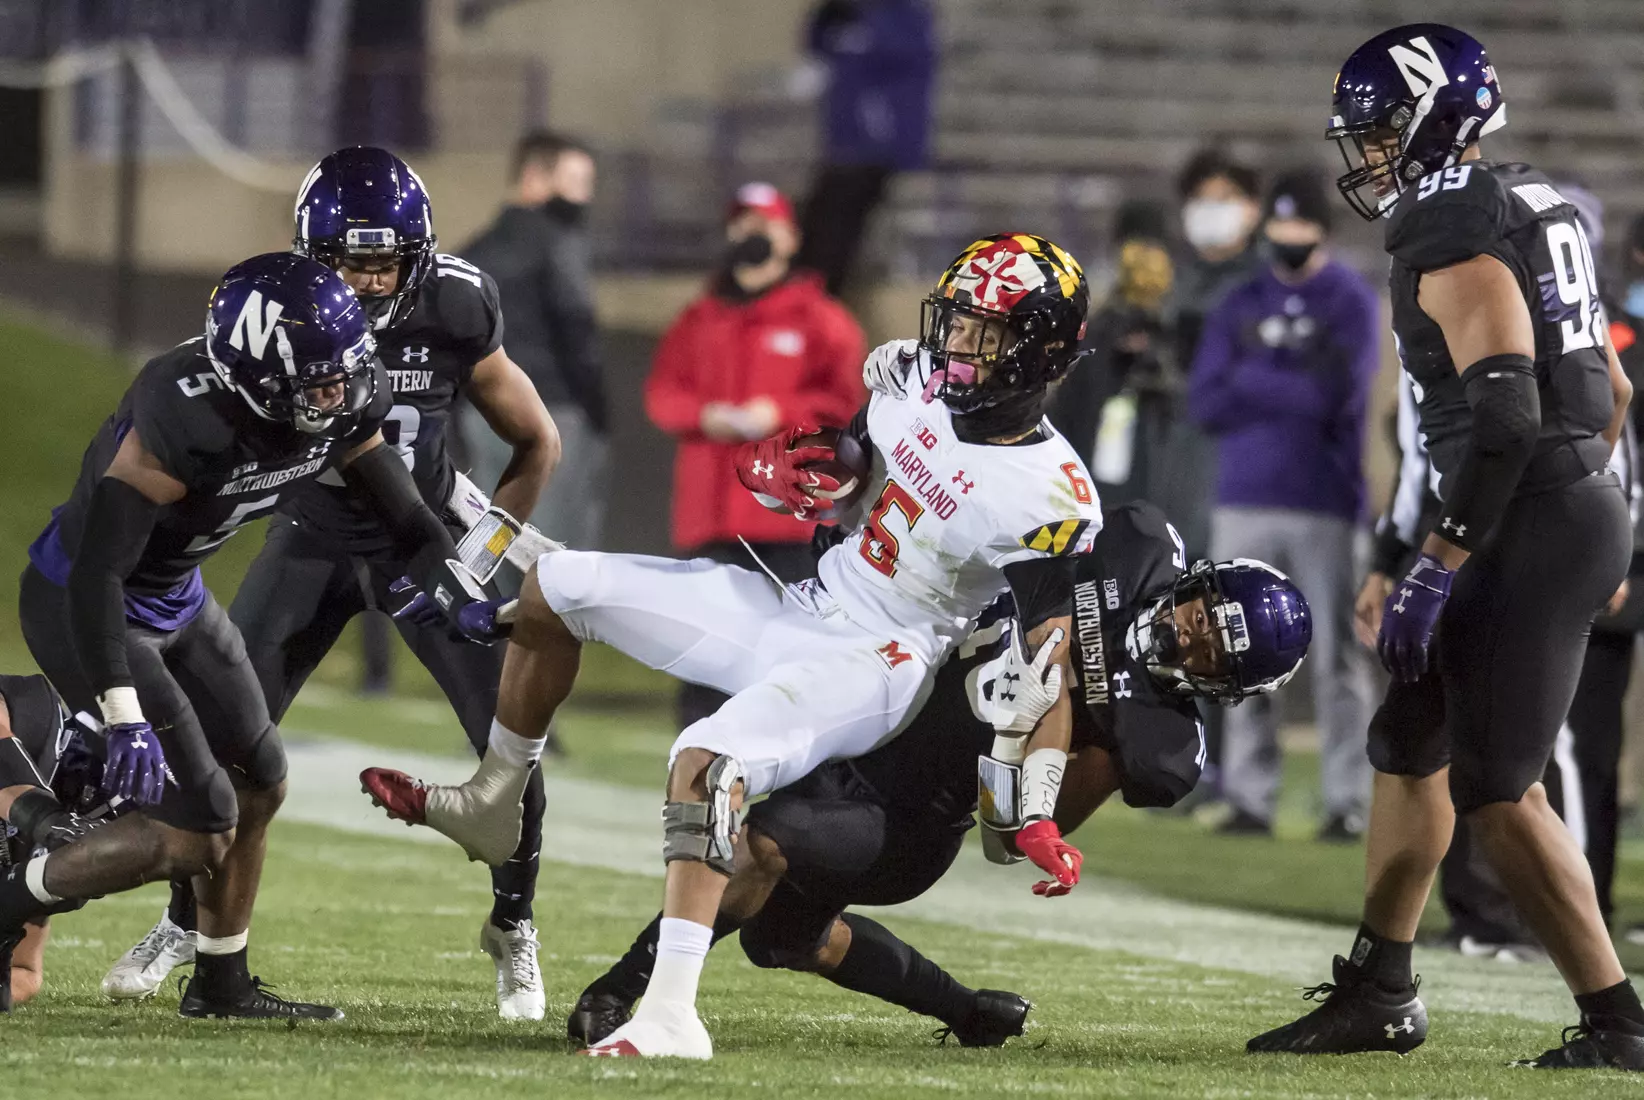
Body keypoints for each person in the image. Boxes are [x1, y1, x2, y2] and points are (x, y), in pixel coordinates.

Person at [362, 233, 1109, 1059]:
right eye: (956, 322)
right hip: (807, 603)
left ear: (1035, 353)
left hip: (879, 658)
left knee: (709, 758)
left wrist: (1035, 805)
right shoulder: (911, 378)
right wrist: (825, 472)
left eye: (984, 333)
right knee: (557, 585)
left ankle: (672, 1013)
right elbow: (865, 473)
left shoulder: (1050, 492)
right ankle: (497, 798)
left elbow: (1047, 662)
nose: (955, 345)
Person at [1247, 24, 1641, 1070]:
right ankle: (1379, 984)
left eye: (1380, 132)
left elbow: (1508, 416)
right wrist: (1596, 516)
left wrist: (1443, 557)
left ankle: (1619, 1019)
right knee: (1406, 742)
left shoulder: (1453, 221)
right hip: (1557, 501)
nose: (1368, 156)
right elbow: (1615, 393)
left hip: (1524, 507)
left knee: (1500, 791)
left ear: (1435, 118)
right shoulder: (1534, 198)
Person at [565, 502, 1310, 1049]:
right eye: (1203, 615)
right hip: (879, 713)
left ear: (1222, 687)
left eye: (1212, 652)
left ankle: (625, 990)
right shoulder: (1138, 545)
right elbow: (1019, 536)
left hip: (912, 816)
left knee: (760, 845)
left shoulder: (1160, 744)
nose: (1189, 636)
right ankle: (966, 1012)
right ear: (1196, 581)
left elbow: (1019, 824)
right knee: (786, 938)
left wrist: (1047, 756)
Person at [98, 147, 562, 1020]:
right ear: (315, 255)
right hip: (308, 538)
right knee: (227, 752)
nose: (373, 278)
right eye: (352, 261)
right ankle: (188, 925)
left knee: (512, 746)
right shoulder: (282, 309)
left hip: (418, 540)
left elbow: (537, 441)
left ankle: (513, 921)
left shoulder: (458, 302)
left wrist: (484, 557)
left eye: (388, 260)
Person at [3, 254, 501, 1019]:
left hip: (176, 596)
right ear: (253, 377)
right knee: (198, 830)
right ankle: (10, 899)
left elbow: (405, 519)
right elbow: (100, 573)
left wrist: (455, 585)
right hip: (88, 603)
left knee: (261, 777)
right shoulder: (183, 414)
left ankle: (220, 981)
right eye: (318, 381)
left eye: (344, 371)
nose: (338, 393)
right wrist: (124, 710)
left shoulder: (335, 400)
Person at [1187, 169, 1380, 840]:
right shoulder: (1241, 298)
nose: (1288, 236)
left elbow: (1339, 398)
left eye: (1300, 224)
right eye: (1280, 223)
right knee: (1238, 652)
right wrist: (1292, 376)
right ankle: (1249, 794)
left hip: (1323, 498)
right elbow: (1205, 400)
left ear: (1322, 228)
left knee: (1337, 660)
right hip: (1242, 496)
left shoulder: (1349, 299)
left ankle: (1347, 798)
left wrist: (1254, 376)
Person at [646, 182, 866, 728]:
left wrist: (783, 413)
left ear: (790, 238)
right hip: (712, 509)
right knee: (701, 637)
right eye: (743, 224)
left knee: (788, 640)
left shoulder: (821, 318)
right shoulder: (700, 317)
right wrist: (703, 416)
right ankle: (695, 755)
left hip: (786, 515)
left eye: (764, 224)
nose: (752, 236)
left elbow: (848, 401)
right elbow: (663, 394)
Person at [463, 131, 604, 550]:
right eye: (575, 182)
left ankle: (497, 618)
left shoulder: (474, 251)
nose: (583, 197)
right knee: (558, 552)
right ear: (534, 177)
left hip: (481, 414)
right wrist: (597, 411)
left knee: (496, 542)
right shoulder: (560, 243)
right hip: (552, 413)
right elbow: (578, 331)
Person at [1158, 149, 1265, 564]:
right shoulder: (1168, 283)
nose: (1211, 212)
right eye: (1202, 200)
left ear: (1253, 210)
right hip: (1169, 466)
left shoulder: (1268, 284)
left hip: (1239, 471)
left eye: (1225, 199)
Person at [795, 0, 937, 295]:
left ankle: (819, 298)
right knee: (811, 223)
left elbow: (898, 54)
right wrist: (828, 14)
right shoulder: (846, 18)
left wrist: (860, 15)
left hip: (879, 150)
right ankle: (805, 297)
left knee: (836, 230)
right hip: (843, 147)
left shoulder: (906, 17)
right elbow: (816, 43)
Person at [1047, 200, 1175, 503]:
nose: (1144, 263)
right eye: (1135, 248)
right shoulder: (1094, 332)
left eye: (1151, 248)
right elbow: (1067, 413)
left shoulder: (1182, 328)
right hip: (1099, 492)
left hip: (1166, 495)